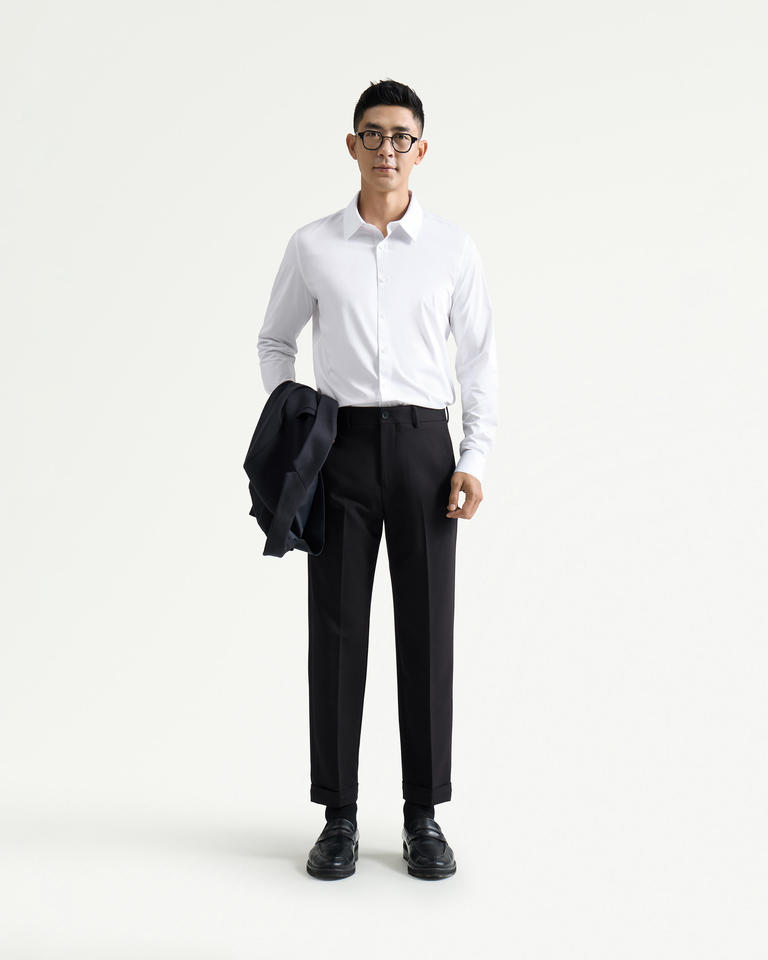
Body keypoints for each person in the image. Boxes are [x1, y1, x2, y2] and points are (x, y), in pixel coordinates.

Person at [257, 79, 498, 880]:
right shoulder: (313, 246)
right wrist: (300, 420)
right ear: (351, 144)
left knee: (427, 632)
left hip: (427, 449)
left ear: (421, 150)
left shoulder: (453, 249)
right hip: (343, 448)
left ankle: (424, 816)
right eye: (373, 133)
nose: (386, 148)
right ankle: (338, 817)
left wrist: (473, 458)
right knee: (336, 633)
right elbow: (274, 341)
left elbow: (479, 362)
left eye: (400, 136)